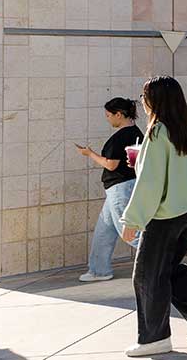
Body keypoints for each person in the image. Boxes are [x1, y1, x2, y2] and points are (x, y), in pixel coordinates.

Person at [121, 76, 187, 357]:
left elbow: (150, 183)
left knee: (146, 276)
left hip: (166, 215)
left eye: (144, 95)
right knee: (165, 268)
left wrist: (133, 220)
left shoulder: (158, 132)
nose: (142, 100)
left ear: (155, 100)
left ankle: (155, 338)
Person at [76, 98, 144, 282]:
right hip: (125, 186)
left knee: (129, 232)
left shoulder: (121, 136)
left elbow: (111, 165)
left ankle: (166, 260)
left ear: (119, 115)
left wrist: (89, 154)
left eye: (108, 115)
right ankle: (99, 270)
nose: (108, 119)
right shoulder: (137, 132)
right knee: (104, 230)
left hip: (120, 188)